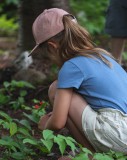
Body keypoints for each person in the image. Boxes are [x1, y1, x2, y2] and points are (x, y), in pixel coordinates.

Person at [29, 8, 127, 153]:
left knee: (55, 89)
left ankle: (89, 155)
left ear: (52, 46)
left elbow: (57, 123)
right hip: (122, 130)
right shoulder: (103, 55)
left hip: (116, 134)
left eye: (46, 55)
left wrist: (45, 125)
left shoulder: (71, 66)